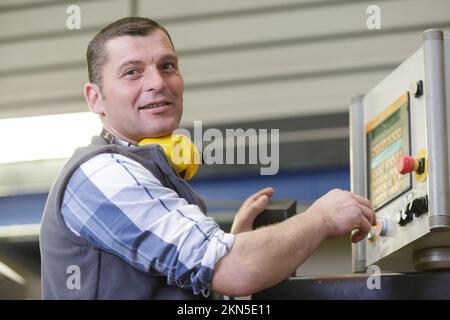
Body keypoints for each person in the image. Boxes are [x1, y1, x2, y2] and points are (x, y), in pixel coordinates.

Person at [39, 17, 376, 299]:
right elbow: (233, 269)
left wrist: (236, 242)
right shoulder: (103, 174)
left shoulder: (153, 176)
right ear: (95, 98)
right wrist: (321, 219)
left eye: (167, 66)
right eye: (132, 72)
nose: (158, 82)